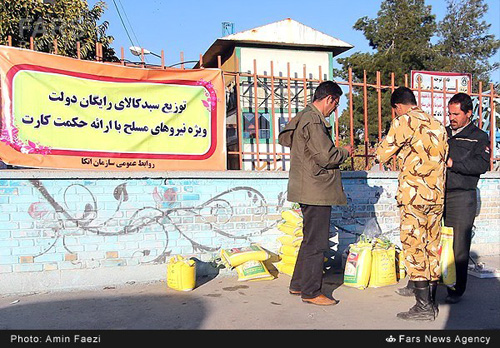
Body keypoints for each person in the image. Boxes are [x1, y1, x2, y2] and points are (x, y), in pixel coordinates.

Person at [375, 87, 448, 321]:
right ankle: (431, 300)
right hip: (436, 197)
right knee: (431, 247)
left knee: (414, 247)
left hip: (414, 198)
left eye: (395, 111)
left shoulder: (403, 121)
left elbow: (382, 155)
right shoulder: (438, 124)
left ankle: (424, 307)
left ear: (397, 107)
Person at [278, 81, 353, 306]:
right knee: (317, 242)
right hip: (316, 189)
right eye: (335, 104)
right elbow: (327, 156)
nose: (335, 109)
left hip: (308, 187)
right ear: (328, 99)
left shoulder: (304, 117)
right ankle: (311, 292)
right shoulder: (313, 120)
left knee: (310, 238)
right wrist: (345, 151)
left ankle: (298, 283)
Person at [443, 92, 490, 304]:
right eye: (449, 113)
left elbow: (482, 166)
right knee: (436, 242)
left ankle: (456, 289)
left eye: (456, 114)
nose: (451, 118)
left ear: (468, 113)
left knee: (459, 246)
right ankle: (434, 282)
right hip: (438, 195)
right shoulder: (443, 133)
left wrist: (454, 164)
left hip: (462, 197)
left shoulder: (478, 136)